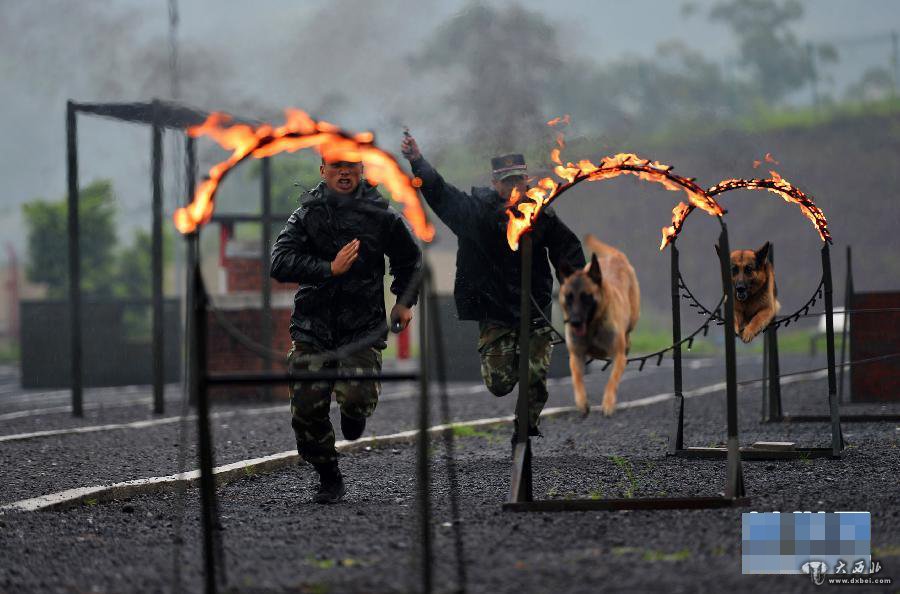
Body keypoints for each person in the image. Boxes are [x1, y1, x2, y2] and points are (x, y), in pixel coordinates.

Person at [400, 135, 585, 439]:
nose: (513, 188)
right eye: (507, 182)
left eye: (518, 181)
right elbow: (440, 193)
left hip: (535, 307)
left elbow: (568, 252)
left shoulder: (540, 214)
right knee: (499, 384)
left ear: (527, 181)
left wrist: (575, 294)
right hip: (494, 309)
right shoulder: (474, 213)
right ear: (495, 183)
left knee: (535, 376)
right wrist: (417, 161)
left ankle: (524, 429)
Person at [271, 156, 422, 504]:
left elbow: (410, 260)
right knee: (307, 408)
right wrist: (329, 267)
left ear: (361, 170)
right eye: (336, 166)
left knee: (357, 398)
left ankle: (355, 414)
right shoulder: (308, 214)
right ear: (323, 170)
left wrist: (403, 302)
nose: (344, 172)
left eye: (351, 166)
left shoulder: (381, 215)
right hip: (313, 325)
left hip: (362, 327)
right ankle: (328, 475)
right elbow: (279, 263)